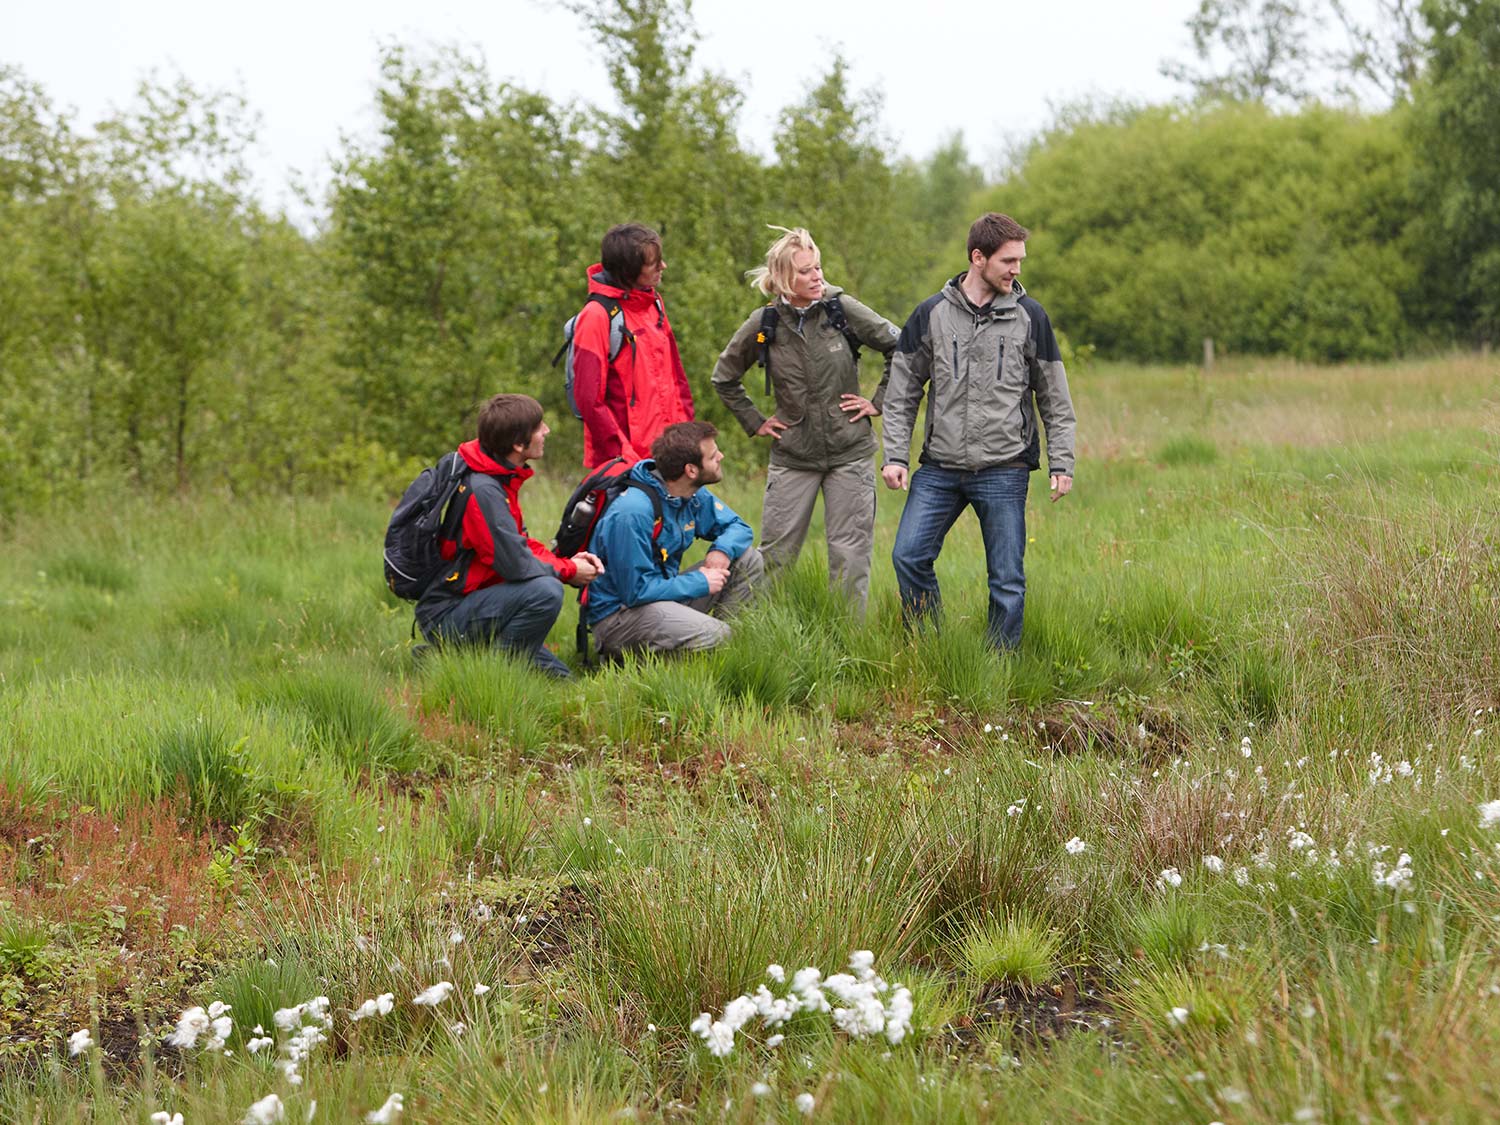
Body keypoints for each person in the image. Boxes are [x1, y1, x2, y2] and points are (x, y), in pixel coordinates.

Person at [880, 213, 1077, 651]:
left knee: (1006, 580)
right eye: (1008, 260)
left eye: (1020, 260)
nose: (1017, 270)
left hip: (1004, 469)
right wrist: (894, 455)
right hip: (940, 468)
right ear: (977, 257)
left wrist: (1062, 462)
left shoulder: (1031, 317)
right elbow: (901, 392)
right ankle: (929, 650)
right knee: (908, 556)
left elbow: (1055, 400)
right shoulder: (929, 314)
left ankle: (998, 668)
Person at [711, 227, 900, 615]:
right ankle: (761, 637)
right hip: (793, 455)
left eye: (818, 268)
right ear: (783, 278)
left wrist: (877, 402)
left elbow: (902, 347)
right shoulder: (764, 323)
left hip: (850, 452)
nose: (817, 277)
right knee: (775, 558)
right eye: (805, 271)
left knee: (849, 558)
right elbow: (724, 377)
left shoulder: (841, 308)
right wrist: (755, 421)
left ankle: (850, 644)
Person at [416, 394, 604, 678]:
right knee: (546, 592)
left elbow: (519, 544)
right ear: (518, 444)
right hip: (448, 613)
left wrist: (566, 562)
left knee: (565, 683)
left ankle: (459, 657)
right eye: (539, 426)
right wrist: (568, 571)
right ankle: (489, 675)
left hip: (477, 602)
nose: (547, 431)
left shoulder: (498, 479)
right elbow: (515, 565)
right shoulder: (484, 491)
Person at [585, 421, 765, 657]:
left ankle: (731, 654)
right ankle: (654, 666)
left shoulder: (690, 493)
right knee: (715, 634)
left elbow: (738, 527)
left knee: (747, 559)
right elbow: (635, 591)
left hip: (659, 598)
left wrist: (722, 550)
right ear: (691, 470)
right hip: (619, 618)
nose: (721, 456)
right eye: (713, 456)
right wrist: (700, 582)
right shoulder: (633, 512)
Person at [571, 222, 695, 469]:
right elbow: (588, 399)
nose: (663, 266)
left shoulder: (654, 304)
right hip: (626, 463)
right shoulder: (596, 316)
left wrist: (688, 436)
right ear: (629, 271)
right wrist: (624, 457)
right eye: (654, 263)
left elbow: (676, 378)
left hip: (670, 454)